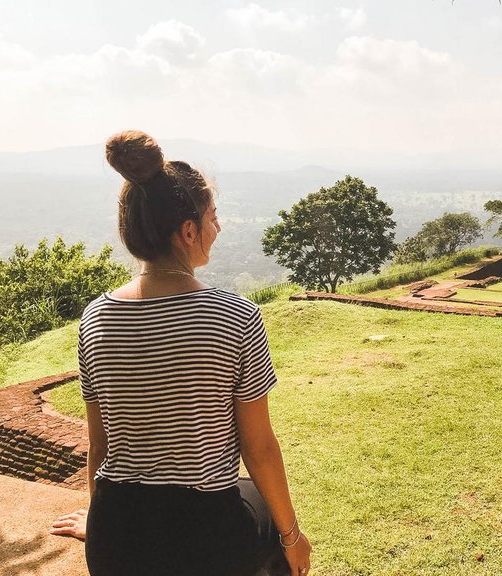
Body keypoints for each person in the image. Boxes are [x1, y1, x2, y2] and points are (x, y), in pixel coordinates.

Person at [50, 131, 311, 576]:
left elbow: (101, 446)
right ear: (188, 231)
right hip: (203, 534)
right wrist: (293, 536)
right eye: (213, 217)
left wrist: (100, 522)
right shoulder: (236, 316)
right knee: (264, 516)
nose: (218, 227)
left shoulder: (95, 318)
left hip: (117, 533)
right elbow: (258, 445)